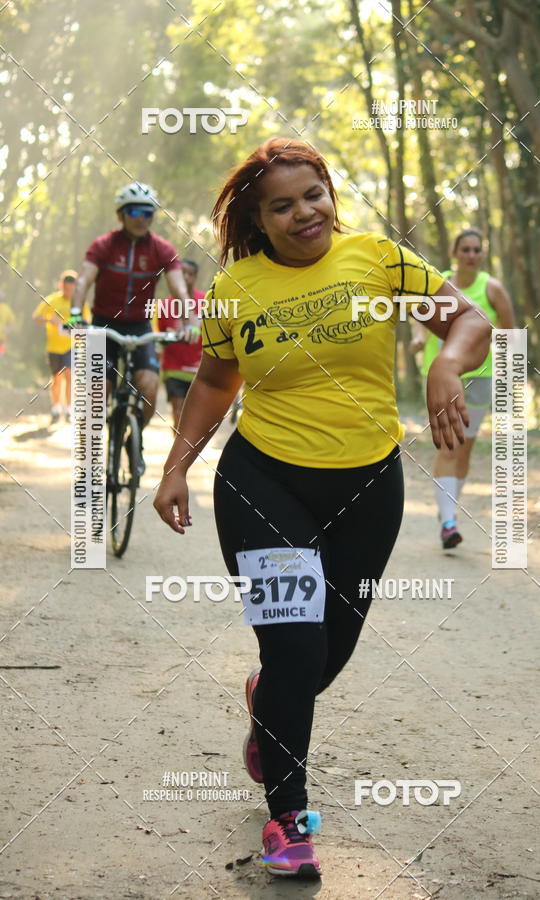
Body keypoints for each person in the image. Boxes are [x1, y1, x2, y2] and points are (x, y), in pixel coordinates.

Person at [153, 139, 490, 878]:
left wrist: (446, 365)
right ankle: (289, 821)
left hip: (368, 486)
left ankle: (265, 699)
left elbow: (469, 321)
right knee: (295, 647)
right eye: (283, 204)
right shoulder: (238, 287)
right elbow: (214, 381)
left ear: (331, 194)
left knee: (320, 661)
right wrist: (176, 468)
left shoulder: (378, 260)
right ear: (260, 221)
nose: (304, 211)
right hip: (263, 480)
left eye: (314, 194)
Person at [68, 182, 196, 472]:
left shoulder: (161, 249)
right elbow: (84, 280)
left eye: (148, 213)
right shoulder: (104, 245)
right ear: (121, 215)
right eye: (135, 211)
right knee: (98, 391)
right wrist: (76, 314)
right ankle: (88, 461)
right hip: (103, 324)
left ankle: (132, 440)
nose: (142, 218)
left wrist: (190, 322)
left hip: (140, 327)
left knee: (149, 388)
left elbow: (179, 290)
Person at [410, 227, 516, 549]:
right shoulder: (436, 282)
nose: (471, 255)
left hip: (480, 379)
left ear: (482, 255)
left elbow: (509, 332)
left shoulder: (492, 288)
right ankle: (448, 522)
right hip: (442, 377)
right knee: (447, 445)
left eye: (476, 249)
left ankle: (449, 509)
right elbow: (420, 315)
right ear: (454, 253)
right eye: (465, 249)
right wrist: (419, 337)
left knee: (464, 449)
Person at [32, 271, 90, 423]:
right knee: (56, 378)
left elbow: (87, 323)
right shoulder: (52, 300)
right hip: (53, 347)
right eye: (66, 288)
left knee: (70, 375)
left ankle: (70, 408)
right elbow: (36, 317)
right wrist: (49, 320)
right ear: (61, 286)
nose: (69, 292)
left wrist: (79, 327)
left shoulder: (80, 303)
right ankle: (56, 407)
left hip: (72, 345)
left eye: (72, 289)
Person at [155, 258, 204, 428]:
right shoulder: (164, 306)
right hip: (173, 368)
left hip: (199, 369)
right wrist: (168, 337)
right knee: (178, 411)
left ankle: (190, 449)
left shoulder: (205, 302)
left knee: (195, 417)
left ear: (195, 277)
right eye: (181, 273)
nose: (185, 277)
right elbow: (160, 338)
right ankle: (180, 449)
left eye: (189, 274)